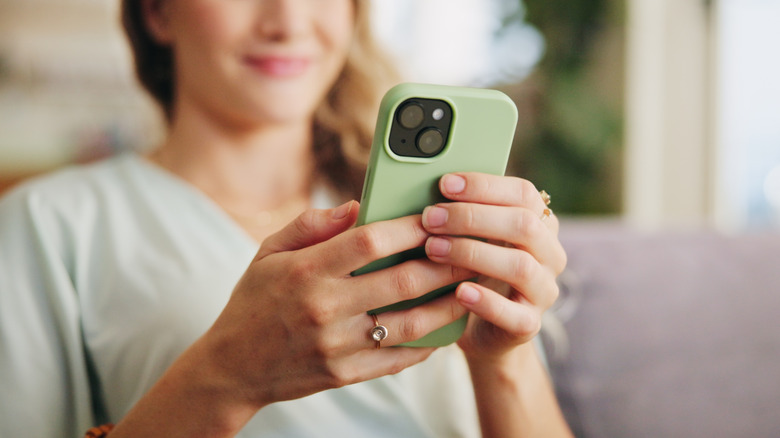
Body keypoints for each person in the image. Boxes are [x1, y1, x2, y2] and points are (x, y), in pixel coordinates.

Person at [0, 0, 571, 436]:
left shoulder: (430, 213)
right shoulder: (49, 224)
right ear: (157, 13)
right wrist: (226, 376)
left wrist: (501, 358)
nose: (289, 19)